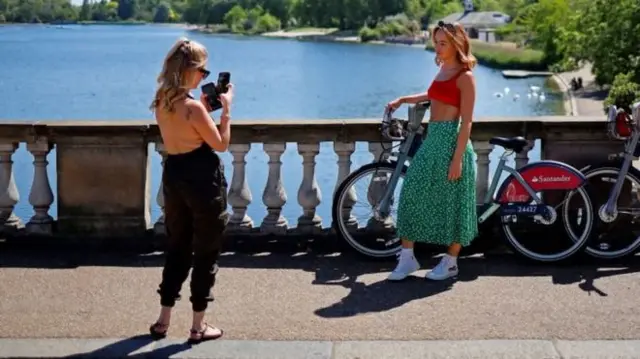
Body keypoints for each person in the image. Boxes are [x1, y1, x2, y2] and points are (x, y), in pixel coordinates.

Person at [148, 37, 233, 344]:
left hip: (174, 174)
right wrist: (226, 113)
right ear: (189, 71)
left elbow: (186, 129)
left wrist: (202, 108)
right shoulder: (194, 108)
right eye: (202, 72)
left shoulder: (162, 100)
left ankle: (162, 321)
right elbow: (221, 145)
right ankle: (198, 326)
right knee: (206, 250)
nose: (204, 78)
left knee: (177, 247)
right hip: (201, 179)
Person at [385, 21, 478, 281]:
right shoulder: (443, 69)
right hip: (433, 140)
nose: (437, 47)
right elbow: (433, 95)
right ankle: (407, 259)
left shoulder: (465, 77)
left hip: (452, 143)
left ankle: (450, 262)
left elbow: (468, 121)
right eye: (435, 42)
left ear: (457, 43)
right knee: (411, 194)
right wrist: (404, 99)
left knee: (456, 204)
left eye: (443, 43)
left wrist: (457, 159)